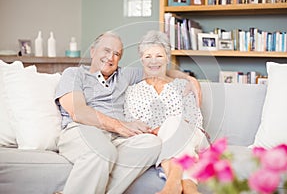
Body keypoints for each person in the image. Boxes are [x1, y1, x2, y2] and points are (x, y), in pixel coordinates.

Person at [54, 31, 202, 194]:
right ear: (93, 51)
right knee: (103, 151)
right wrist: (119, 125)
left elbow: (157, 69)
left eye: (116, 54)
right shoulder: (74, 74)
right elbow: (79, 112)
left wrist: (189, 79)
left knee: (152, 144)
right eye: (106, 50)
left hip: (117, 138)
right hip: (83, 130)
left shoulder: (124, 75)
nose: (111, 57)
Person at [124, 30, 209, 194]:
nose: (153, 61)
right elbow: (132, 125)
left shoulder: (184, 86)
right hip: (157, 141)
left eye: (159, 56)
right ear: (141, 59)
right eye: (148, 56)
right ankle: (190, 187)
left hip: (194, 137)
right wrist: (156, 132)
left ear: (168, 58)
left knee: (173, 123)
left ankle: (172, 184)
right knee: (170, 130)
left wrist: (165, 127)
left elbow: (195, 121)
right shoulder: (132, 91)